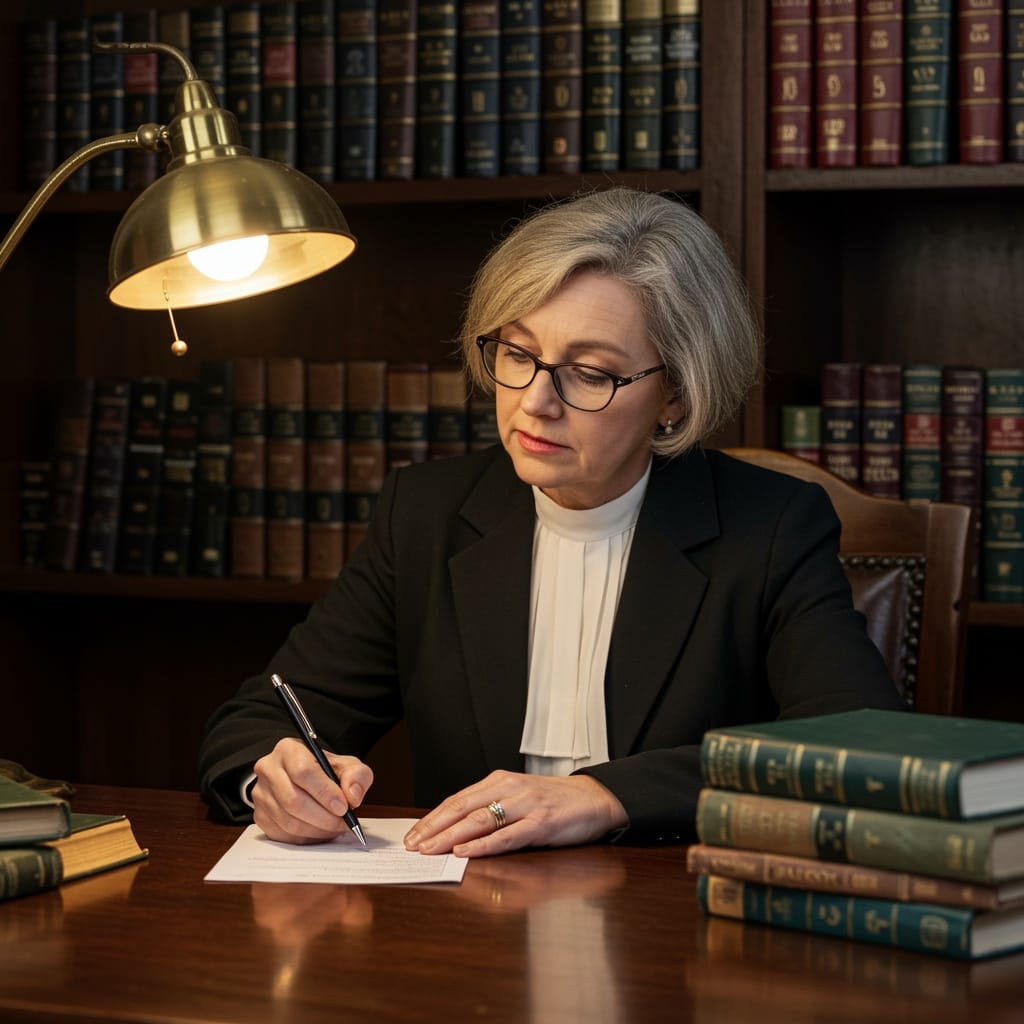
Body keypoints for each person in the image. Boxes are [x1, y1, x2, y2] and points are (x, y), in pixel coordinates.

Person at [198, 187, 902, 857]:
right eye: (517, 354)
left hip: (675, 915)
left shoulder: (771, 527)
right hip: (470, 917)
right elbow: (260, 720)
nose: (536, 401)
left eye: (590, 373)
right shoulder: (427, 513)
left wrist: (605, 795)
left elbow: (859, 747)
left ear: (676, 396)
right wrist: (275, 780)